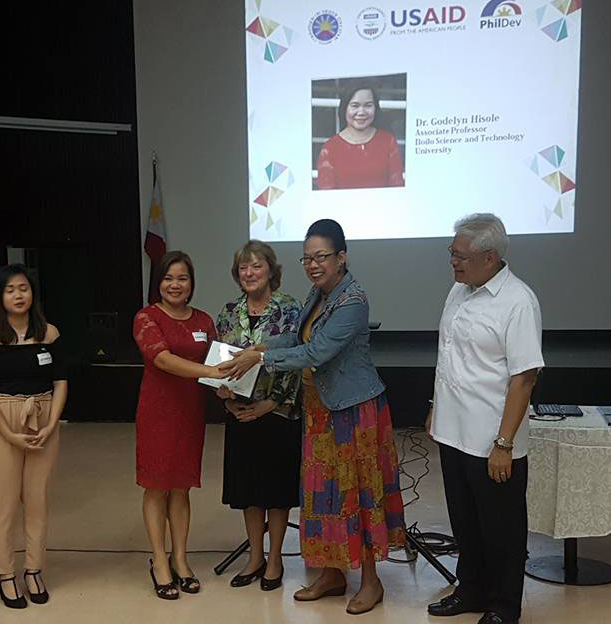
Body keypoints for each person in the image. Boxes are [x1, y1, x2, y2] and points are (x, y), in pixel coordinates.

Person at [221, 219, 405, 615]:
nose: (313, 265)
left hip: (355, 412)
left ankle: (371, 582)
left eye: (321, 257)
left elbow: (316, 352)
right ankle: (333, 573)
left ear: (342, 257)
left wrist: (261, 357)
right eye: (307, 258)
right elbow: (295, 338)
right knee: (324, 496)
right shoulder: (319, 293)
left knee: (358, 496)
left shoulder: (352, 300)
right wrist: (258, 346)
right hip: (320, 411)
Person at [426, 214, 543, 624]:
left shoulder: (518, 301)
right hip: (452, 431)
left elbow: (524, 378)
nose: (453, 263)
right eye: (451, 254)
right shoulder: (458, 291)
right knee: (466, 522)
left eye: (459, 256)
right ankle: (471, 590)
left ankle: (504, 606)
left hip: (492, 438)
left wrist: (504, 444)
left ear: (490, 257)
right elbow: (452, 358)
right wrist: (435, 407)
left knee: (502, 529)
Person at [0, 264, 68, 608]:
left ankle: (33, 569)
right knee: (5, 503)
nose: (18, 295)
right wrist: (9, 434)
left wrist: (52, 423)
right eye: (10, 289)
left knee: (38, 500)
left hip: (43, 418)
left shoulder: (49, 333)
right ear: (0, 296)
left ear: (32, 293)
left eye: (23, 288)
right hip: (4, 418)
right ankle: (5, 573)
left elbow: (60, 382)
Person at [133, 250, 226, 600]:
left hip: (190, 413)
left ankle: (181, 560)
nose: (175, 284)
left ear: (191, 284)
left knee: (183, 487)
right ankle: (159, 561)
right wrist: (211, 372)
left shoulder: (203, 320)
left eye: (182, 278)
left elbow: (219, 362)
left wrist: (230, 385)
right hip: (157, 412)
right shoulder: (146, 317)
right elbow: (162, 359)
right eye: (169, 278)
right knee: (157, 486)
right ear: (159, 283)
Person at [215, 240, 302, 591]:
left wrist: (274, 403)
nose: (249, 273)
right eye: (243, 268)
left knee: (276, 490)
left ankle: (276, 558)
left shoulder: (292, 309)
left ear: (271, 270)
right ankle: (255, 556)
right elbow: (219, 362)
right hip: (240, 413)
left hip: (278, 413)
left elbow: (299, 360)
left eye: (256, 266)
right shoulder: (228, 311)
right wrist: (224, 397)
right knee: (248, 490)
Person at [315, 79, 404, 190]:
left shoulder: (388, 142)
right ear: (345, 108)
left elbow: (397, 189)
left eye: (368, 105)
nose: (361, 112)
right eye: (355, 105)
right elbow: (325, 197)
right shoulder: (330, 148)